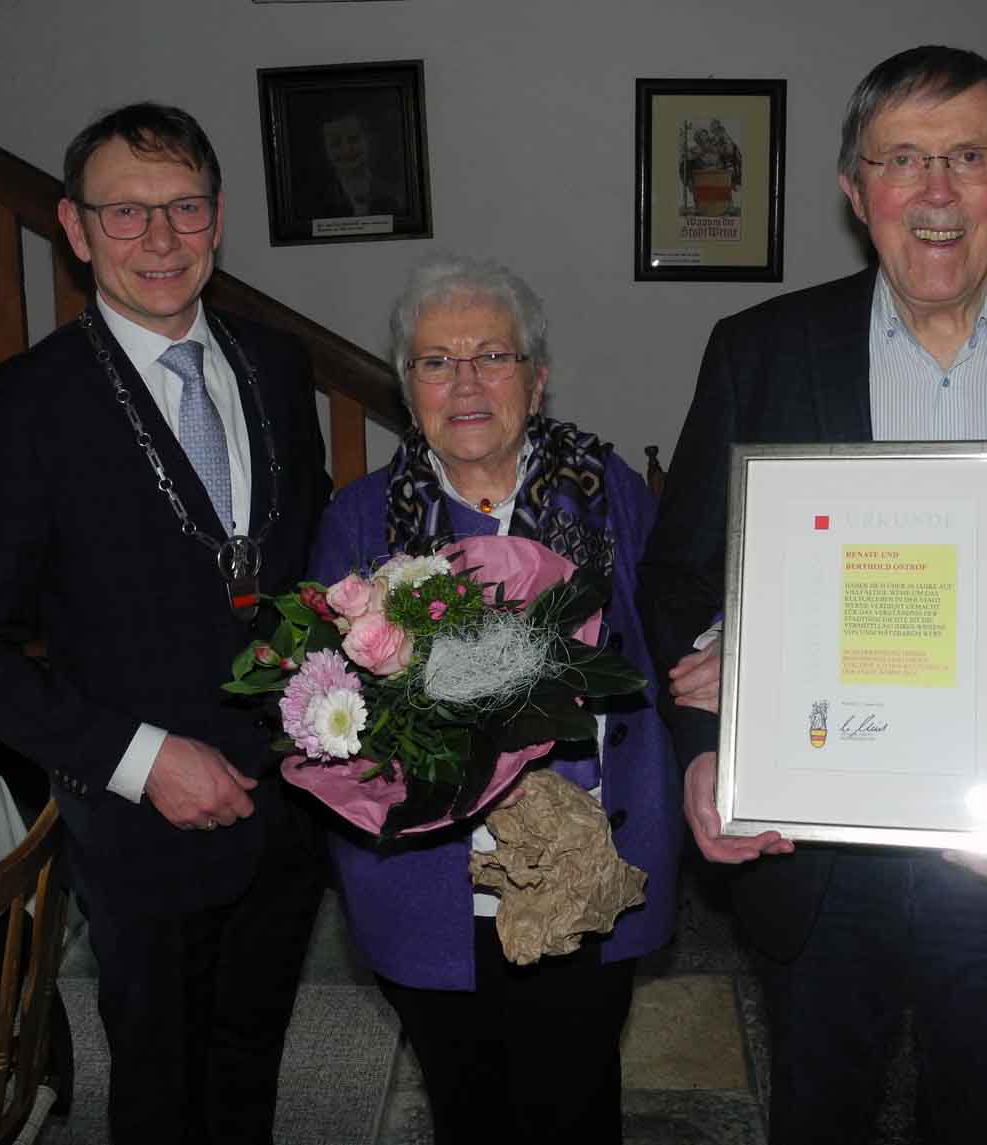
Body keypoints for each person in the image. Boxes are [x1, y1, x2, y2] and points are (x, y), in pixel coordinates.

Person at [638, 46, 987, 1145]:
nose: (938, 191)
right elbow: (679, 576)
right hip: (807, 855)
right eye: (904, 158)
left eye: (969, 156)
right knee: (817, 1112)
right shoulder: (761, 352)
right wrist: (722, 723)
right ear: (857, 190)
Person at [0, 102, 332, 1145]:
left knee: (250, 1071)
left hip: (291, 811)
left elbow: (300, 575)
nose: (159, 239)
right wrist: (143, 758)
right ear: (73, 226)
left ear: (218, 216)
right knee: (158, 1090)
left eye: (184, 207)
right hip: (143, 827)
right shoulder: (23, 408)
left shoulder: (280, 369)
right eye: (126, 212)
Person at [308, 254, 681, 1145]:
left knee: (580, 1105)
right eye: (436, 361)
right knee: (466, 1110)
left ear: (537, 378)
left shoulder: (611, 494)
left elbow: (677, 627)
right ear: (408, 389)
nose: (465, 381)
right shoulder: (359, 520)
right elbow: (322, 708)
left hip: (589, 875)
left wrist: (708, 656)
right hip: (432, 887)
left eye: (493, 356)